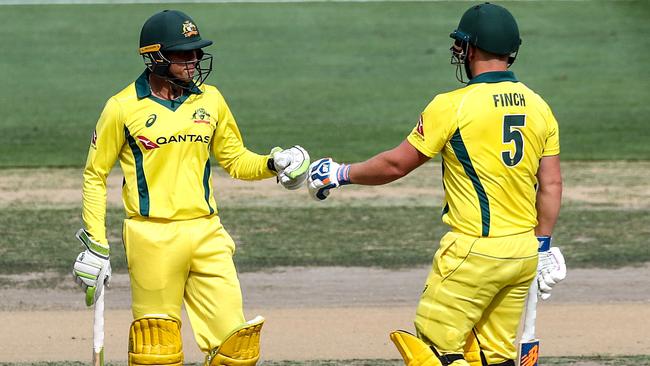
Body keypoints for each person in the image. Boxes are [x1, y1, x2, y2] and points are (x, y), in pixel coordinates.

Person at [307, 3, 566, 366]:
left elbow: (397, 164)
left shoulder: (452, 105)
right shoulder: (539, 106)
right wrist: (543, 246)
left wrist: (340, 173)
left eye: (462, 45)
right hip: (522, 252)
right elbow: (551, 184)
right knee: (494, 356)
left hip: (473, 252)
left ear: (472, 48)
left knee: (432, 350)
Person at [71, 9, 309, 366]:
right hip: (151, 238)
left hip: (207, 232)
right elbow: (95, 174)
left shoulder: (210, 100)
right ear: (155, 57)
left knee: (237, 349)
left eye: (197, 52)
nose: (194, 60)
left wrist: (272, 164)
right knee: (157, 351)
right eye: (184, 53)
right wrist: (96, 244)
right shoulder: (122, 107)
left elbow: (235, 160)